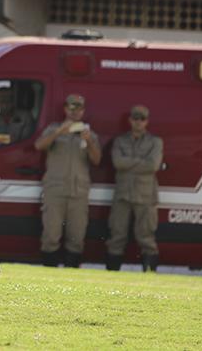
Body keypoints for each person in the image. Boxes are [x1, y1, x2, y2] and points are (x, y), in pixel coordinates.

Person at [34, 94, 102, 268]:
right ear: (65, 109)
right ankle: (50, 274)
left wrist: (89, 142)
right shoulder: (54, 128)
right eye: (71, 109)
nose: (74, 113)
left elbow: (97, 160)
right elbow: (39, 146)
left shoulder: (88, 133)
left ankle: (72, 275)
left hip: (78, 192)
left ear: (82, 111)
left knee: (76, 237)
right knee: (51, 235)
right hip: (55, 190)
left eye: (78, 109)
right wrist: (58, 133)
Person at [106, 105, 163, 272]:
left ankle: (149, 276)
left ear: (147, 122)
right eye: (135, 118)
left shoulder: (155, 141)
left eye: (142, 119)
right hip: (123, 195)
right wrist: (140, 162)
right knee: (117, 236)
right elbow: (117, 162)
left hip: (145, 195)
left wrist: (128, 162)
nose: (138, 122)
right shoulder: (120, 141)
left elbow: (153, 165)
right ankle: (111, 277)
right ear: (130, 120)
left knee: (146, 238)